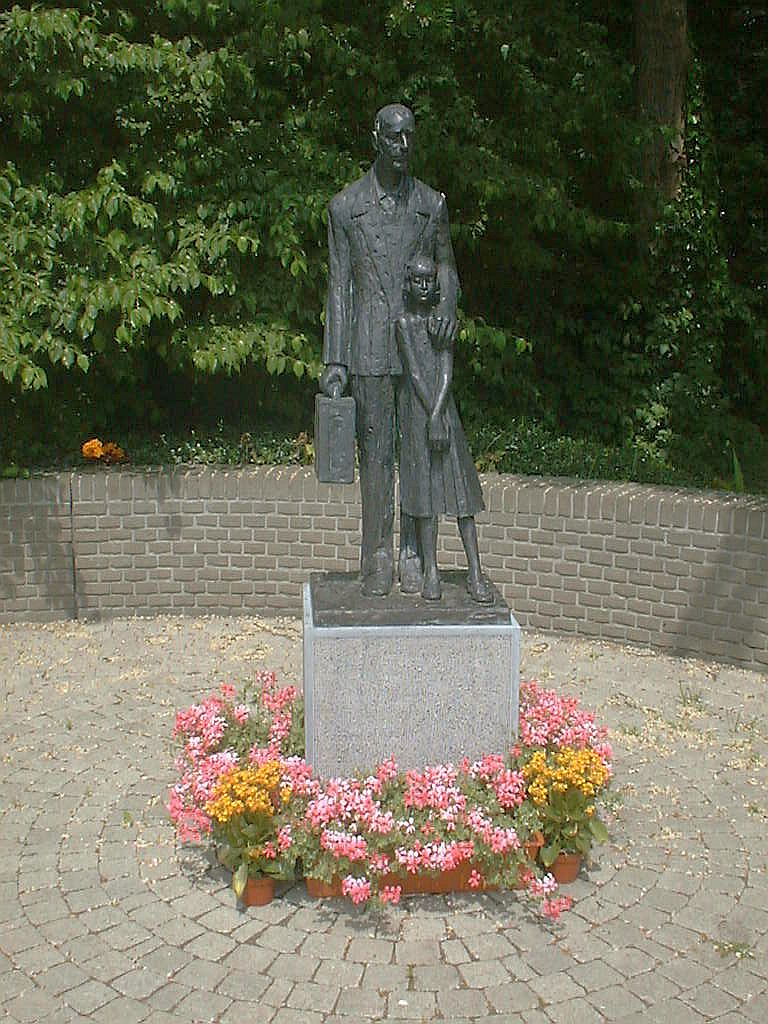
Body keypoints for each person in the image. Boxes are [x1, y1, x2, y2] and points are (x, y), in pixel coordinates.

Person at [320, 103, 459, 596]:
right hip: (370, 346)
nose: (404, 148)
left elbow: (446, 268)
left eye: (410, 138)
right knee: (376, 456)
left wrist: (447, 305)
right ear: (376, 138)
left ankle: (413, 552)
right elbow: (340, 288)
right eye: (395, 138)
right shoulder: (345, 208)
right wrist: (334, 360)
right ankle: (376, 553)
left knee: (419, 454)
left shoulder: (430, 204)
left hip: (419, 347)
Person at [395, 257, 494, 603]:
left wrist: (439, 413)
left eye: (429, 281)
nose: (423, 288)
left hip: (443, 408)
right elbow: (415, 373)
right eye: (417, 282)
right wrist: (430, 415)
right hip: (417, 411)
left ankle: (476, 571)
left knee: (461, 494)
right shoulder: (404, 324)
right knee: (425, 495)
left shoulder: (441, 323)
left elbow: (446, 369)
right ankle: (431, 572)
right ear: (409, 285)